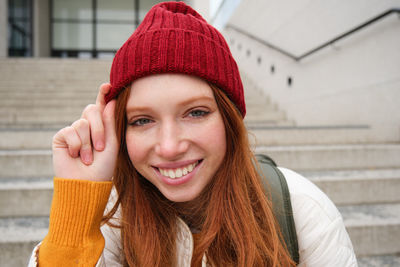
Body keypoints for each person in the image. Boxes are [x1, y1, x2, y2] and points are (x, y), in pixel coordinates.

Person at [28, 2, 357, 266]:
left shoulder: (302, 211)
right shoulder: (111, 221)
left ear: (230, 121)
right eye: (142, 120)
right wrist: (75, 216)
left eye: (196, 112)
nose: (170, 147)